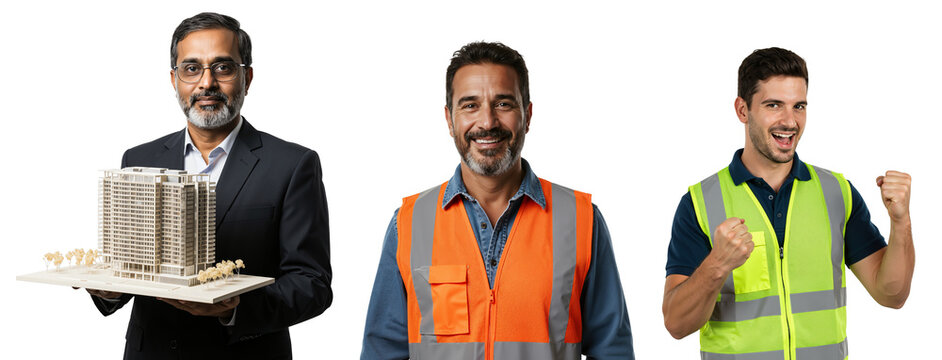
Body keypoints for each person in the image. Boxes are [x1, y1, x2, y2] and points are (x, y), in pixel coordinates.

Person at [360, 41, 634, 360]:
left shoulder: (580, 220)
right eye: (470, 105)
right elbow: (381, 353)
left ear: (527, 115)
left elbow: (613, 352)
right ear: (449, 119)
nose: (487, 122)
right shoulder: (409, 224)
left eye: (503, 104)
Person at [83, 12, 332, 359]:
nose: (206, 83)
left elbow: (312, 284)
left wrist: (234, 309)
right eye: (191, 68)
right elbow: (132, 264)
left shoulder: (292, 165)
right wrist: (108, 292)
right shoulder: (138, 158)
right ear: (174, 79)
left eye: (223, 68)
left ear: (247, 77)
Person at [662, 47, 914, 359]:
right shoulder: (700, 203)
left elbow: (891, 295)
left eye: (799, 106)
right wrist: (717, 264)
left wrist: (900, 221)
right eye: (774, 105)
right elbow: (676, 324)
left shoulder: (837, 193)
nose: (790, 121)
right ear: (743, 110)